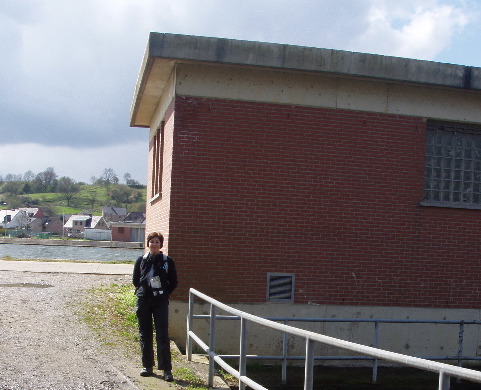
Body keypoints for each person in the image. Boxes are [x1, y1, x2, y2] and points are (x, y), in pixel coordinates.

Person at [132, 231, 178, 382]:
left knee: (162, 335)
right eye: (152, 242)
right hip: (144, 301)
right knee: (145, 334)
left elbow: (174, 281)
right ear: (148, 244)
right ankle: (147, 366)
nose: (154, 244)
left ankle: (166, 369)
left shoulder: (167, 261)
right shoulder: (141, 260)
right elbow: (135, 280)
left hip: (160, 302)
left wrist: (164, 294)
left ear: (161, 244)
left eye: (157, 242)